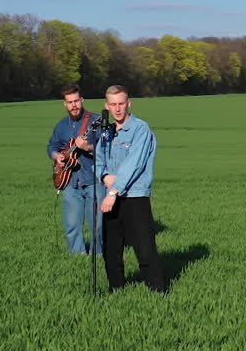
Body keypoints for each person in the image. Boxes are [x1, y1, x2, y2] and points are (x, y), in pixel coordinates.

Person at [96, 85, 167, 293]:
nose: (117, 109)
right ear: (106, 106)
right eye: (113, 104)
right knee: (112, 249)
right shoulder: (106, 133)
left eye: (121, 104)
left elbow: (134, 164)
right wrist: (104, 176)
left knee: (144, 248)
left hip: (135, 196)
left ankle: (158, 292)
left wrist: (113, 191)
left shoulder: (140, 129)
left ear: (129, 104)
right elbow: (99, 160)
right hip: (112, 195)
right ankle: (116, 289)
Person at [46, 84, 102, 255]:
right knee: (71, 225)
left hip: (93, 179)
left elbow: (107, 151)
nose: (74, 105)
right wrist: (57, 156)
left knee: (98, 225)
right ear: (65, 104)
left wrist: (87, 147)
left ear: (82, 100)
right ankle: (76, 256)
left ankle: (98, 255)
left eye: (76, 101)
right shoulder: (61, 125)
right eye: (70, 102)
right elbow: (52, 146)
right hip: (70, 181)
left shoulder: (96, 121)